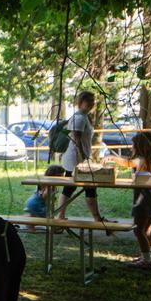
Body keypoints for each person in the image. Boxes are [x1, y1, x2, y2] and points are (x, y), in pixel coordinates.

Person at [104, 133, 151, 268]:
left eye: (133, 145)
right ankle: (147, 255)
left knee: (138, 230)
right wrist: (116, 158)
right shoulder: (150, 161)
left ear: (140, 147)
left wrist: (112, 158)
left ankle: (147, 261)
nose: (132, 148)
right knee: (147, 230)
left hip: (143, 201)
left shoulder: (142, 161)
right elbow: (129, 162)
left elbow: (129, 163)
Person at [55, 91, 112, 225]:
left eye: (93, 102)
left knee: (76, 188)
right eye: (89, 102)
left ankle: (62, 215)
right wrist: (84, 157)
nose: (91, 104)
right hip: (76, 159)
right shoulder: (79, 118)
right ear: (81, 102)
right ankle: (95, 218)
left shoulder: (83, 116)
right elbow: (77, 139)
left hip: (77, 158)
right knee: (85, 186)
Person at [23, 165, 66, 232]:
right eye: (61, 176)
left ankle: (28, 220)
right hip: (37, 203)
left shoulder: (45, 180)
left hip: (32, 201)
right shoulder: (50, 185)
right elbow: (44, 195)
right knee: (45, 219)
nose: (63, 177)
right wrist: (51, 196)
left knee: (40, 216)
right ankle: (29, 223)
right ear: (54, 176)